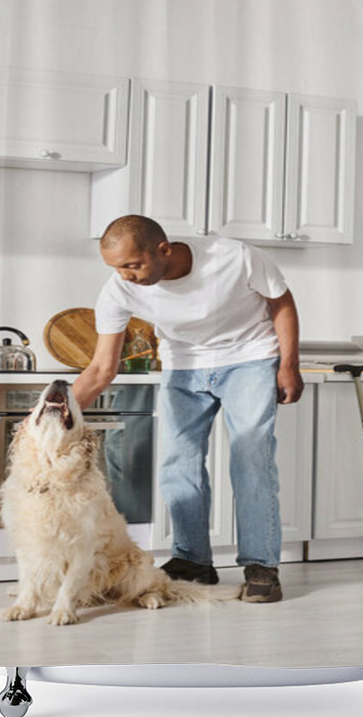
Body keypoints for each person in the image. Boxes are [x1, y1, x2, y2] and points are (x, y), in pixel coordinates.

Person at [73, 215, 303, 603]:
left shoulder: (235, 257)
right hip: (182, 364)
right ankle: (193, 559)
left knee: (251, 456)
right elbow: (101, 368)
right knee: (178, 461)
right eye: (117, 268)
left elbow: (281, 302)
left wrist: (288, 363)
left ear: (163, 250)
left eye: (132, 265)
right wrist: (49, 415)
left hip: (248, 357)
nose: (125, 276)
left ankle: (261, 565)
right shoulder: (119, 289)